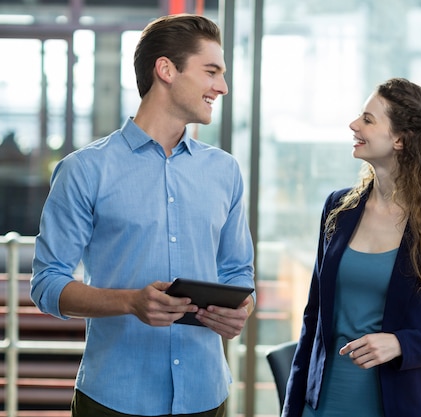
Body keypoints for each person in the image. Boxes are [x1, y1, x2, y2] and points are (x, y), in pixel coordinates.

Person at [30, 14, 255, 417]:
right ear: (166, 69)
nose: (222, 87)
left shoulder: (225, 171)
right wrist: (130, 302)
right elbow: (47, 284)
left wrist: (239, 310)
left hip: (207, 396)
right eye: (211, 71)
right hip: (114, 398)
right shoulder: (84, 170)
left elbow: (238, 272)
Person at [282, 78, 421, 417]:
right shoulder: (338, 209)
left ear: (400, 139)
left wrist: (401, 344)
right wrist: (291, 408)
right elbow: (313, 317)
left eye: (368, 119)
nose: (354, 125)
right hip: (321, 403)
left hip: (399, 406)